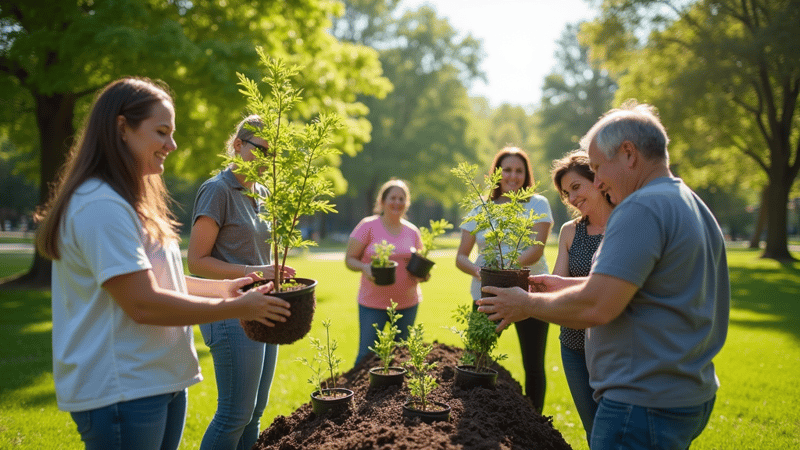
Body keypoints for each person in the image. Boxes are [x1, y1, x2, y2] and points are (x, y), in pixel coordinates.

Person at [34, 77, 291, 450]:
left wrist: (225, 288)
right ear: (122, 128)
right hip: (122, 390)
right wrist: (234, 306)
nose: (172, 145)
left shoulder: (132, 200)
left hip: (160, 379)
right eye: (161, 132)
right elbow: (141, 302)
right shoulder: (101, 205)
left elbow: (162, 280)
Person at [478, 101, 729, 450]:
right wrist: (566, 284)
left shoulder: (639, 209)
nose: (596, 181)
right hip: (686, 393)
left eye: (597, 167)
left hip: (641, 403)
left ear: (628, 153)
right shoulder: (690, 203)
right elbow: (640, 289)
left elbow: (598, 307)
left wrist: (526, 304)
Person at [187, 115, 295, 450]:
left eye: (272, 154)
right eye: (261, 150)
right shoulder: (217, 190)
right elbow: (196, 261)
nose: (267, 161)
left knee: (255, 412)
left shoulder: (263, 192)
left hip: (265, 307)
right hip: (231, 313)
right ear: (238, 145)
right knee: (234, 414)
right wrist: (257, 270)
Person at [455, 146, 553, 412]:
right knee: (477, 359)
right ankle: (475, 415)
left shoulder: (538, 204)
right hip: (486, 292)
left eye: (519, 170)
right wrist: (480, 271)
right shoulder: (480, 207)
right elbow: (461, 256)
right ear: (496, 174)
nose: (513, 176)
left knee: (533, 366)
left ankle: (535, 423)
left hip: (531, 293)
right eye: (507, 169)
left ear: (526, 174)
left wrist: (506, 268)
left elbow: (536, 249)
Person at [550, 149, 614, 444]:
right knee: (593, 431)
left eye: (576, 187)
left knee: (613, 430)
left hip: (614, 347)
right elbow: (557, 285)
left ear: (597, 180)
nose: (572, 198)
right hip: (574, 345)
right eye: (566, 194)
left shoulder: (623, 224)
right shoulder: (569, 232)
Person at [345, 179, 425, 365]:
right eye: (392, 198)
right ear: (382, 201)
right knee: (366, 355)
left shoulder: (412, 231)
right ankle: (359, 393)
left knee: (402, 356)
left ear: (407, 203)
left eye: (401, 198)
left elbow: (419, 263)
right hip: (373, 304)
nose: (397, 202)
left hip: (407, 303)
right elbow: (350, 259)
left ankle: (395, 394)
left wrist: (423, 275)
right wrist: (365, 267)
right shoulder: (368, 226)